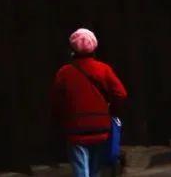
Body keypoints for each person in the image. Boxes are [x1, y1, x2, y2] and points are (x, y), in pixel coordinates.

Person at [51, 29, 127, 177]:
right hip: (100, 127)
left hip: (75, 128)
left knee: (81, 170)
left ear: (72, 49)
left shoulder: (64, 72)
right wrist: (111, 109)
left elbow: (56, 100)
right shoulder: (104, 69)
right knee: (96, 170)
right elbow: (121, 94)